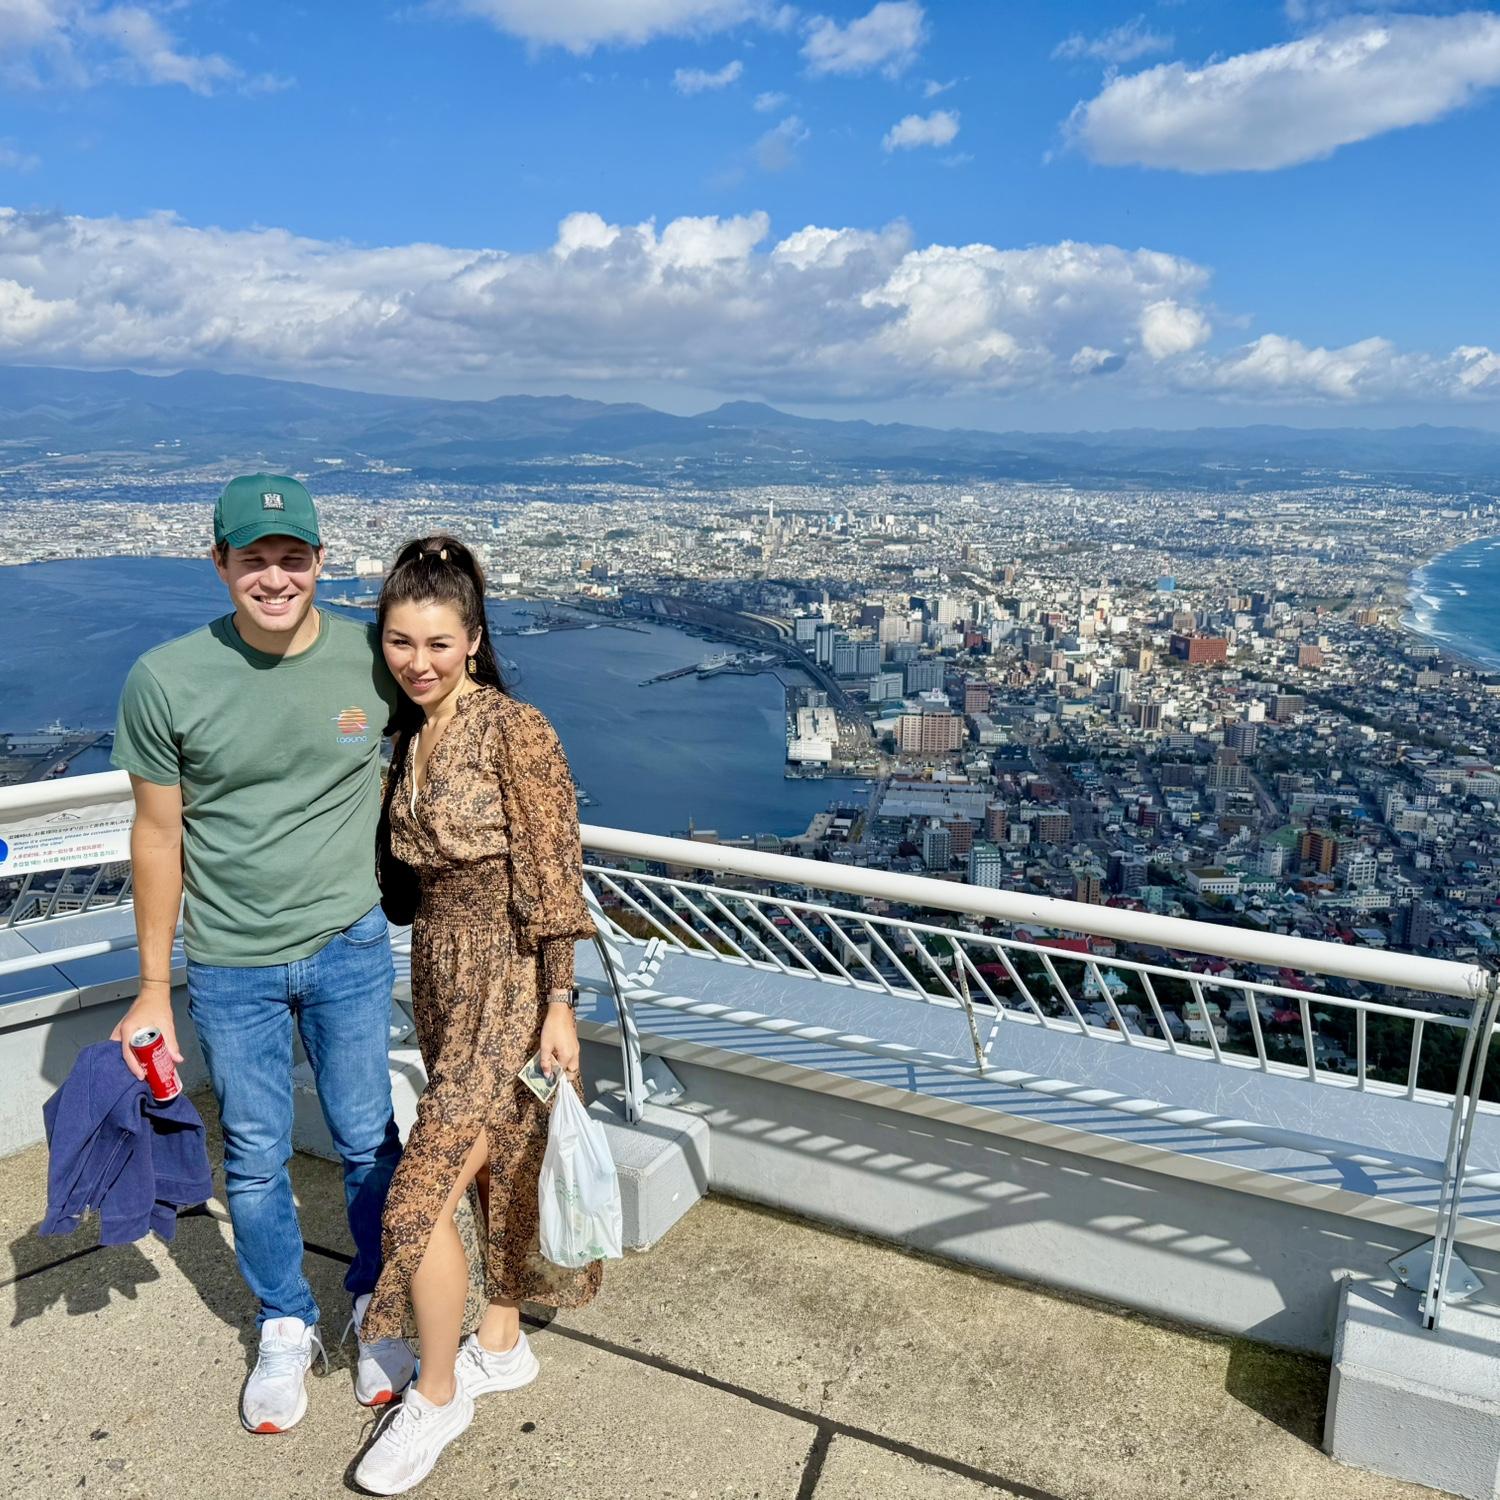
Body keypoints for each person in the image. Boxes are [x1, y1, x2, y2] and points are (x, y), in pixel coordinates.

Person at [109, 474, 416, 1433]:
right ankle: (285, 1320)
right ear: (220, 563)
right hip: (232, 956)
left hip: (351, 941)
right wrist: (153, 986)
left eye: (293, 559)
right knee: (252, 1154)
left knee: (370, 1137)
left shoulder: (374, 655)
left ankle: (376, 1302)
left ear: (322, 563)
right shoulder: (167, 678)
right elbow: (157, 837)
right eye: (255, 559)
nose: (275, 577)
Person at [352, 537, 601, 1497]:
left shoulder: (515, 730)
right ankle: (504, 1338)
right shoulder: (406, 734)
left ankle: (440, 1392)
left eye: (439, 642)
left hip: (507, 971)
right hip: (440, 971)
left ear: (475, 637)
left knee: (423, 1189)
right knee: (496, 1154)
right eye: (401, 641)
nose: (419, 660)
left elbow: (554, 868)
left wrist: (561, 1000)